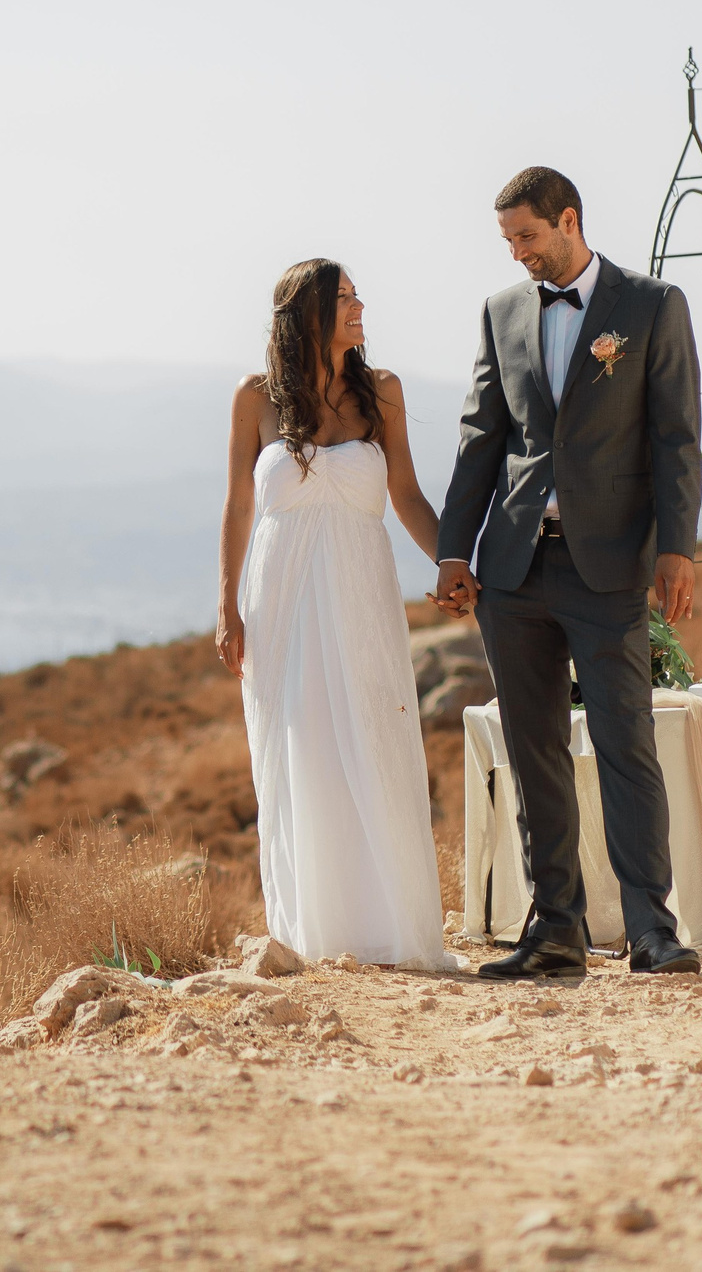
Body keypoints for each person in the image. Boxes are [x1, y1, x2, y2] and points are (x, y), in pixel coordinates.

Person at [433, 166, 702, 979]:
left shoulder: (651, 305)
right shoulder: (501, 312)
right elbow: (482, 436)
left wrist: (677, 546)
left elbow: (675, 435)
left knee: (625, 745)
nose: (518, 253)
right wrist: (454, 548)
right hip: (513, 567)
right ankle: (555, 929)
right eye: (507, 239)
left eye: (527, 235)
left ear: (569, 220)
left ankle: (653, 928)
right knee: (534, 751)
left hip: (609, 565)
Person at [215, 259, 460, 971]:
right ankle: (317, 933)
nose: (359, 307)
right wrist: (226, 603)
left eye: (356, 295)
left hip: (361, 593)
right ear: (308, 314)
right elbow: (238, 504)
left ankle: (388, 925)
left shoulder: (382, 391)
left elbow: (407, 493)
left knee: (373, 734)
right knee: (301, 748)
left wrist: (451, 563)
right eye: (344, 298)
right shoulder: (254, 398)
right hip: (281, 598)